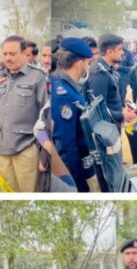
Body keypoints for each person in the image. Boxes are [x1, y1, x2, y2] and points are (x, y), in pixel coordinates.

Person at [0, 35, 48, 192]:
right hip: (1, 151)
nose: (8, 58)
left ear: (24, 53)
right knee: (7, 195)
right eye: (5, 54)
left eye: (12, 54)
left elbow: (46, 117)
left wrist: (45, 153)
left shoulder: (37, 77)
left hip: (27, 149)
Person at [51, 37, 97, 192]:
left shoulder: (71, 87)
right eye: (88, 63)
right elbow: (66, 145)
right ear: (80, 64)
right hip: (74, 175)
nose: (88, 67)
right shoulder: (63, 94)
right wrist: (77, 183)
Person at [87, 33, 131, 125]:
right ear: (110, 52)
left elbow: (111, 100)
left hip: (112, 126)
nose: (122, 52)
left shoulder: (107, 68)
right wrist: (121, 115)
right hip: (106, 129)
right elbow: (98, 110)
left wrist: (122, 109)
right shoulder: (99, 73)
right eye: (119, 49)